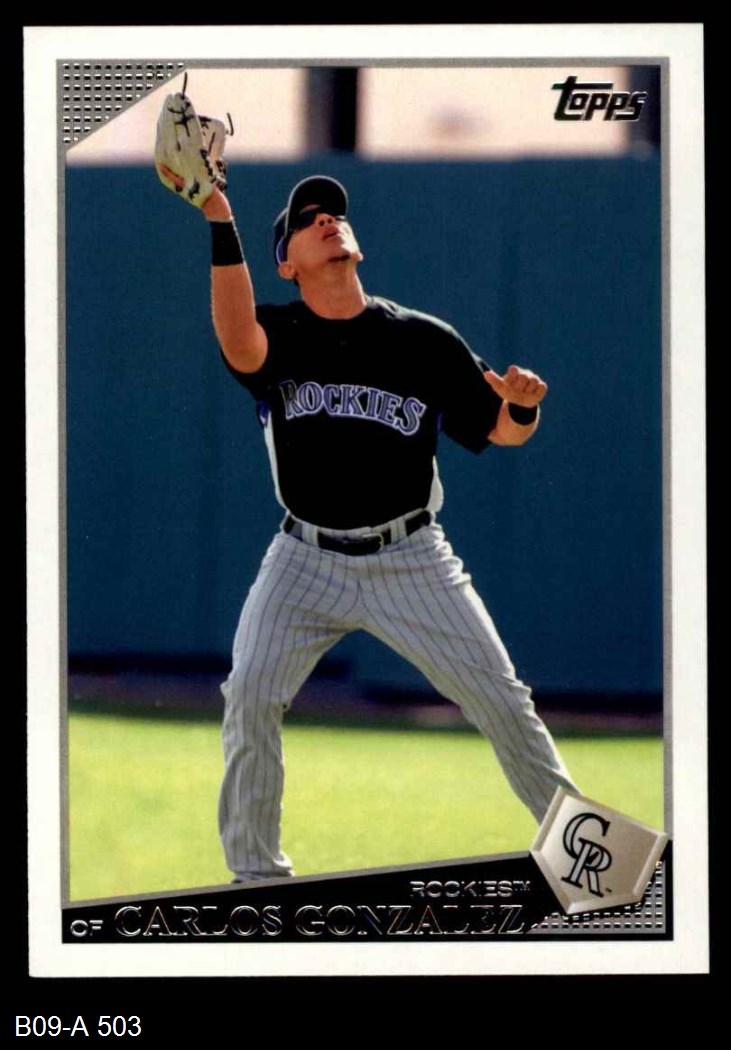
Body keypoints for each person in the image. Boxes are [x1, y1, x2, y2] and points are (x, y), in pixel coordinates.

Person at [165, 166, 579, 883]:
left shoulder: (423, 339)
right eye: (308, 219)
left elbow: (501, 431)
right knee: (250, 695)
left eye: (334, 213)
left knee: (503, 701)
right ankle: (256, 882)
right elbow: (235, 338)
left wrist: (522, 405)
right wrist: (217, 214)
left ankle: (592, 867)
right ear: (286, 264)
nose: (327, 220)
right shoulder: (279, 333)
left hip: (411, 556)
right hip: (303, 559)